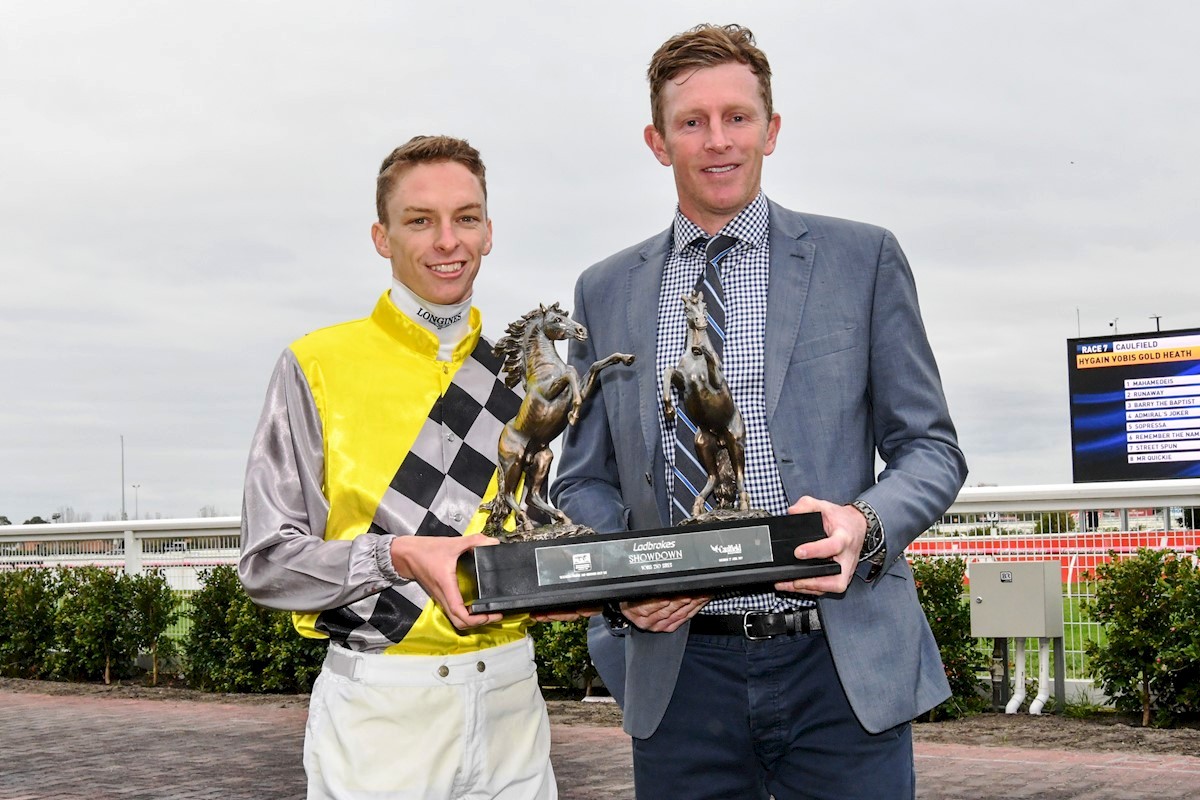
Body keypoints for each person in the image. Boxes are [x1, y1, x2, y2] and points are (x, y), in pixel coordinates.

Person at [551, 24, 968, 800]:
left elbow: (932, 450)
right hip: (681, 673)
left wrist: (863, 525)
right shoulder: (603, 291)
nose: (718, 141)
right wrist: (626, 575)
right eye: (692, 122)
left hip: (840, 672)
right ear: (656, 140)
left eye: (738, 117)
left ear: (771, 130)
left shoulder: (863, 259)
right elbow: (580, 481)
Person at [239, 135, 558, 800]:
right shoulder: (315, 365)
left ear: (489, 233)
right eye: (421, 221)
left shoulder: (524, 378)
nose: (448, 240)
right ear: (382, 237)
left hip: (513, 701)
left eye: (465, 218)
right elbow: (266, 562)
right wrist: (398, 556)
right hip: (380, 710)